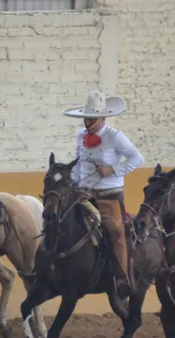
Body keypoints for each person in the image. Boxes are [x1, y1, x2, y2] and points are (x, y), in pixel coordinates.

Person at [63, 90, 145, 297]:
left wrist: (113, 169)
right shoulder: (81, 136)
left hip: (109, 194)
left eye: (91, 118)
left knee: (116, 230)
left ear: (103, 118)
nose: (87, 122)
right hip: (84, 192)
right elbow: (78, 162)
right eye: (86, 118)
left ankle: (122, 277)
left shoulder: (115, 137)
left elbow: (137, 159)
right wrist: (71, 182)